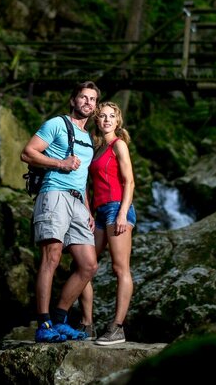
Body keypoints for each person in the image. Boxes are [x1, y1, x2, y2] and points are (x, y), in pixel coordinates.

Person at [20, 81, 100, 342]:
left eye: (93, 99)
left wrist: (87, 209)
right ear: (73, 100)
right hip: (53, 194)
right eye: (83, 97)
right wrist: (60, 163)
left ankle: (59, 319)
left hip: (78, 203)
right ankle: (44, 326)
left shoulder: (88, 138)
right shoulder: (56, 124)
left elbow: (83, 178)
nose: (88, 102)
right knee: (51, 259)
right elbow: (27, 152)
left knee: (88, 265)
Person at [79, 101, 136, 346]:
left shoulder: (118, 144)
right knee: (84, 266)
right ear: (97, 121)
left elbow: (129, 181)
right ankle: (87, 324)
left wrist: (123, 213)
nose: (106, 120)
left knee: (119, 268)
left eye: (111, 116)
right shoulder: (97, 148)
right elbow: (90, 185)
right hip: (99, 213)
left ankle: (117, 327)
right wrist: (89, 212)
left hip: (116, 209)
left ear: (117, 120)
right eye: (102, 116)